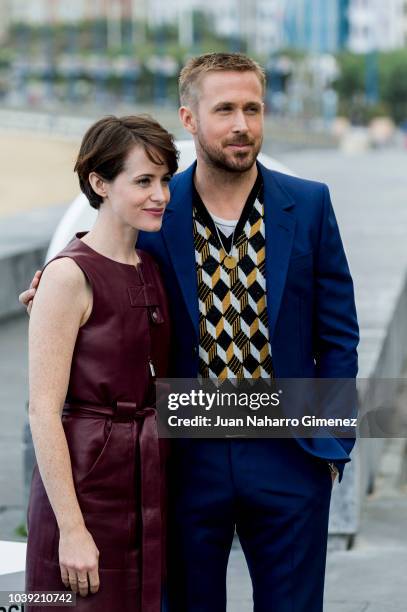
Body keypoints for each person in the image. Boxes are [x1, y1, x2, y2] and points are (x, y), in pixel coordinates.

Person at [21, 53, 359, 612]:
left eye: (252, 108)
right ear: (189, 118)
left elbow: (339, 332)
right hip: (183, 456)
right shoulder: (159, 208)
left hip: (289, 452)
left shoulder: (312, 203)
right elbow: (104, 254)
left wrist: (332, 442)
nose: (241, 125)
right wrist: (54, 279)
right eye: (224, 109)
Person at [24, 114, 178, 611]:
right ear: (99, 182)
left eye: (164, 181)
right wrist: (71, 529)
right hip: (86, 487)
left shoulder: (150, 266)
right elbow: (42, 411)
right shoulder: (69, 275)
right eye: (143, 181)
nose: (160, 195)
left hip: (146, 484)